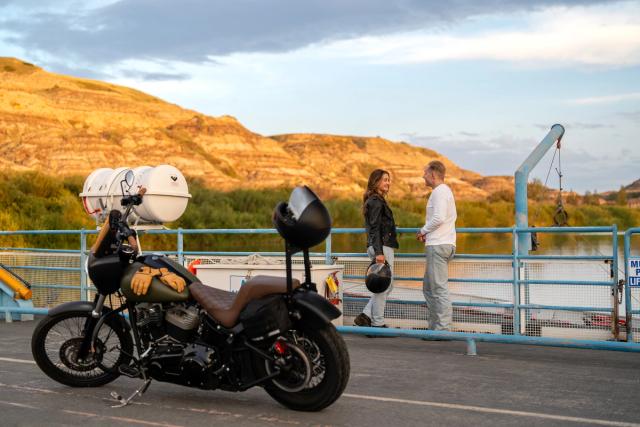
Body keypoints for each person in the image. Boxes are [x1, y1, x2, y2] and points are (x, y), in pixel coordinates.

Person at [354, 169, 399, 328]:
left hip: (382, 246)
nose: (388, 183)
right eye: (385, 180)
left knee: (387, 285)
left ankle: (366, 315)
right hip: (382, 247)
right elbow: (374, 228)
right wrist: (379, 253)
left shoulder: (377, 200)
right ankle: (377, 323)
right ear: (376, 182)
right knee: (384, 285)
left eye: (389, 180)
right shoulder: (375, 201)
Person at [416, 161, 457, 331]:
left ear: (432, 174)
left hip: (439, 245)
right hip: (441, 243)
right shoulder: (443, 192)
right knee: (429, 287)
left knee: (438, 288)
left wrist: (423, 231)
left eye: (425, 172)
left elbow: (439, 217)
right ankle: (435, 326)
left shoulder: (440, 192)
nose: (423, 176)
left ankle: (443, 329)